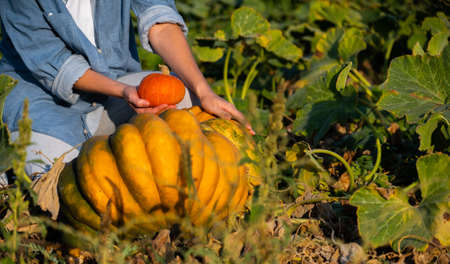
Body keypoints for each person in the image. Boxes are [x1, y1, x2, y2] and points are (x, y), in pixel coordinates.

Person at [0, 0, 254, 182]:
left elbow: (161, 23)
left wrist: (204, 91)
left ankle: (181, 186)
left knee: (184, 97)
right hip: (43, 106)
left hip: (116, 91)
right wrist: (124, 92)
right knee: (55, 185)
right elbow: (58, 66)